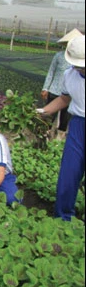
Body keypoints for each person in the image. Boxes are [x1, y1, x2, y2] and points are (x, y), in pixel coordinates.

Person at [37, 35, 85, 221]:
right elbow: (65, 98)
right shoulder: (69, 75)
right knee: (69, 173)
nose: (80, 68)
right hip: (78, 126)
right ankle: (63, 217)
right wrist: (44, 111)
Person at [41, 28, 82, 135]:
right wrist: (40, 112)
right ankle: (47, 135)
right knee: (49, 120)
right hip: (56, 91)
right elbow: (64, 99)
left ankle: (59, 136)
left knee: (64, 120)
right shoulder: (69, 73)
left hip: (79, 120)